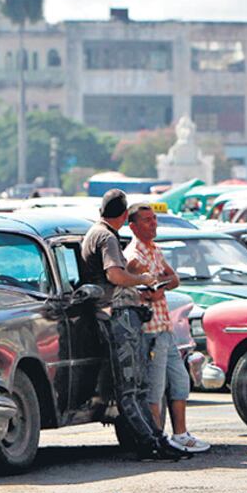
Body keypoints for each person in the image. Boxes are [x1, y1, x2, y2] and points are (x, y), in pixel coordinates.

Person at [80, 189, 188, 461]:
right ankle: (151, 441)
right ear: (125, 215)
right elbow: (115, 275)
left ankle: (155, 438)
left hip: (114, 313)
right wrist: (143, 280)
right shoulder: (106, 236)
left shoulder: (97, 233)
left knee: (137, 385)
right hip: (117, 313)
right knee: (132, 387)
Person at [125, 203, 211, 454]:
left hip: (165, 326)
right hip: (150, 329)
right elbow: (132, 276)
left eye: (154, 219)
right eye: (147, 221)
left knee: (180, 380)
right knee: (155, 385)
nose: (153, 224)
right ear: (133, 226)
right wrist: (146, 285)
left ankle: (180, 434)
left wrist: (159, 285)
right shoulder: (134, 253)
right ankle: (156, 438)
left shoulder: (155, 250)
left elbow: (173, 279)